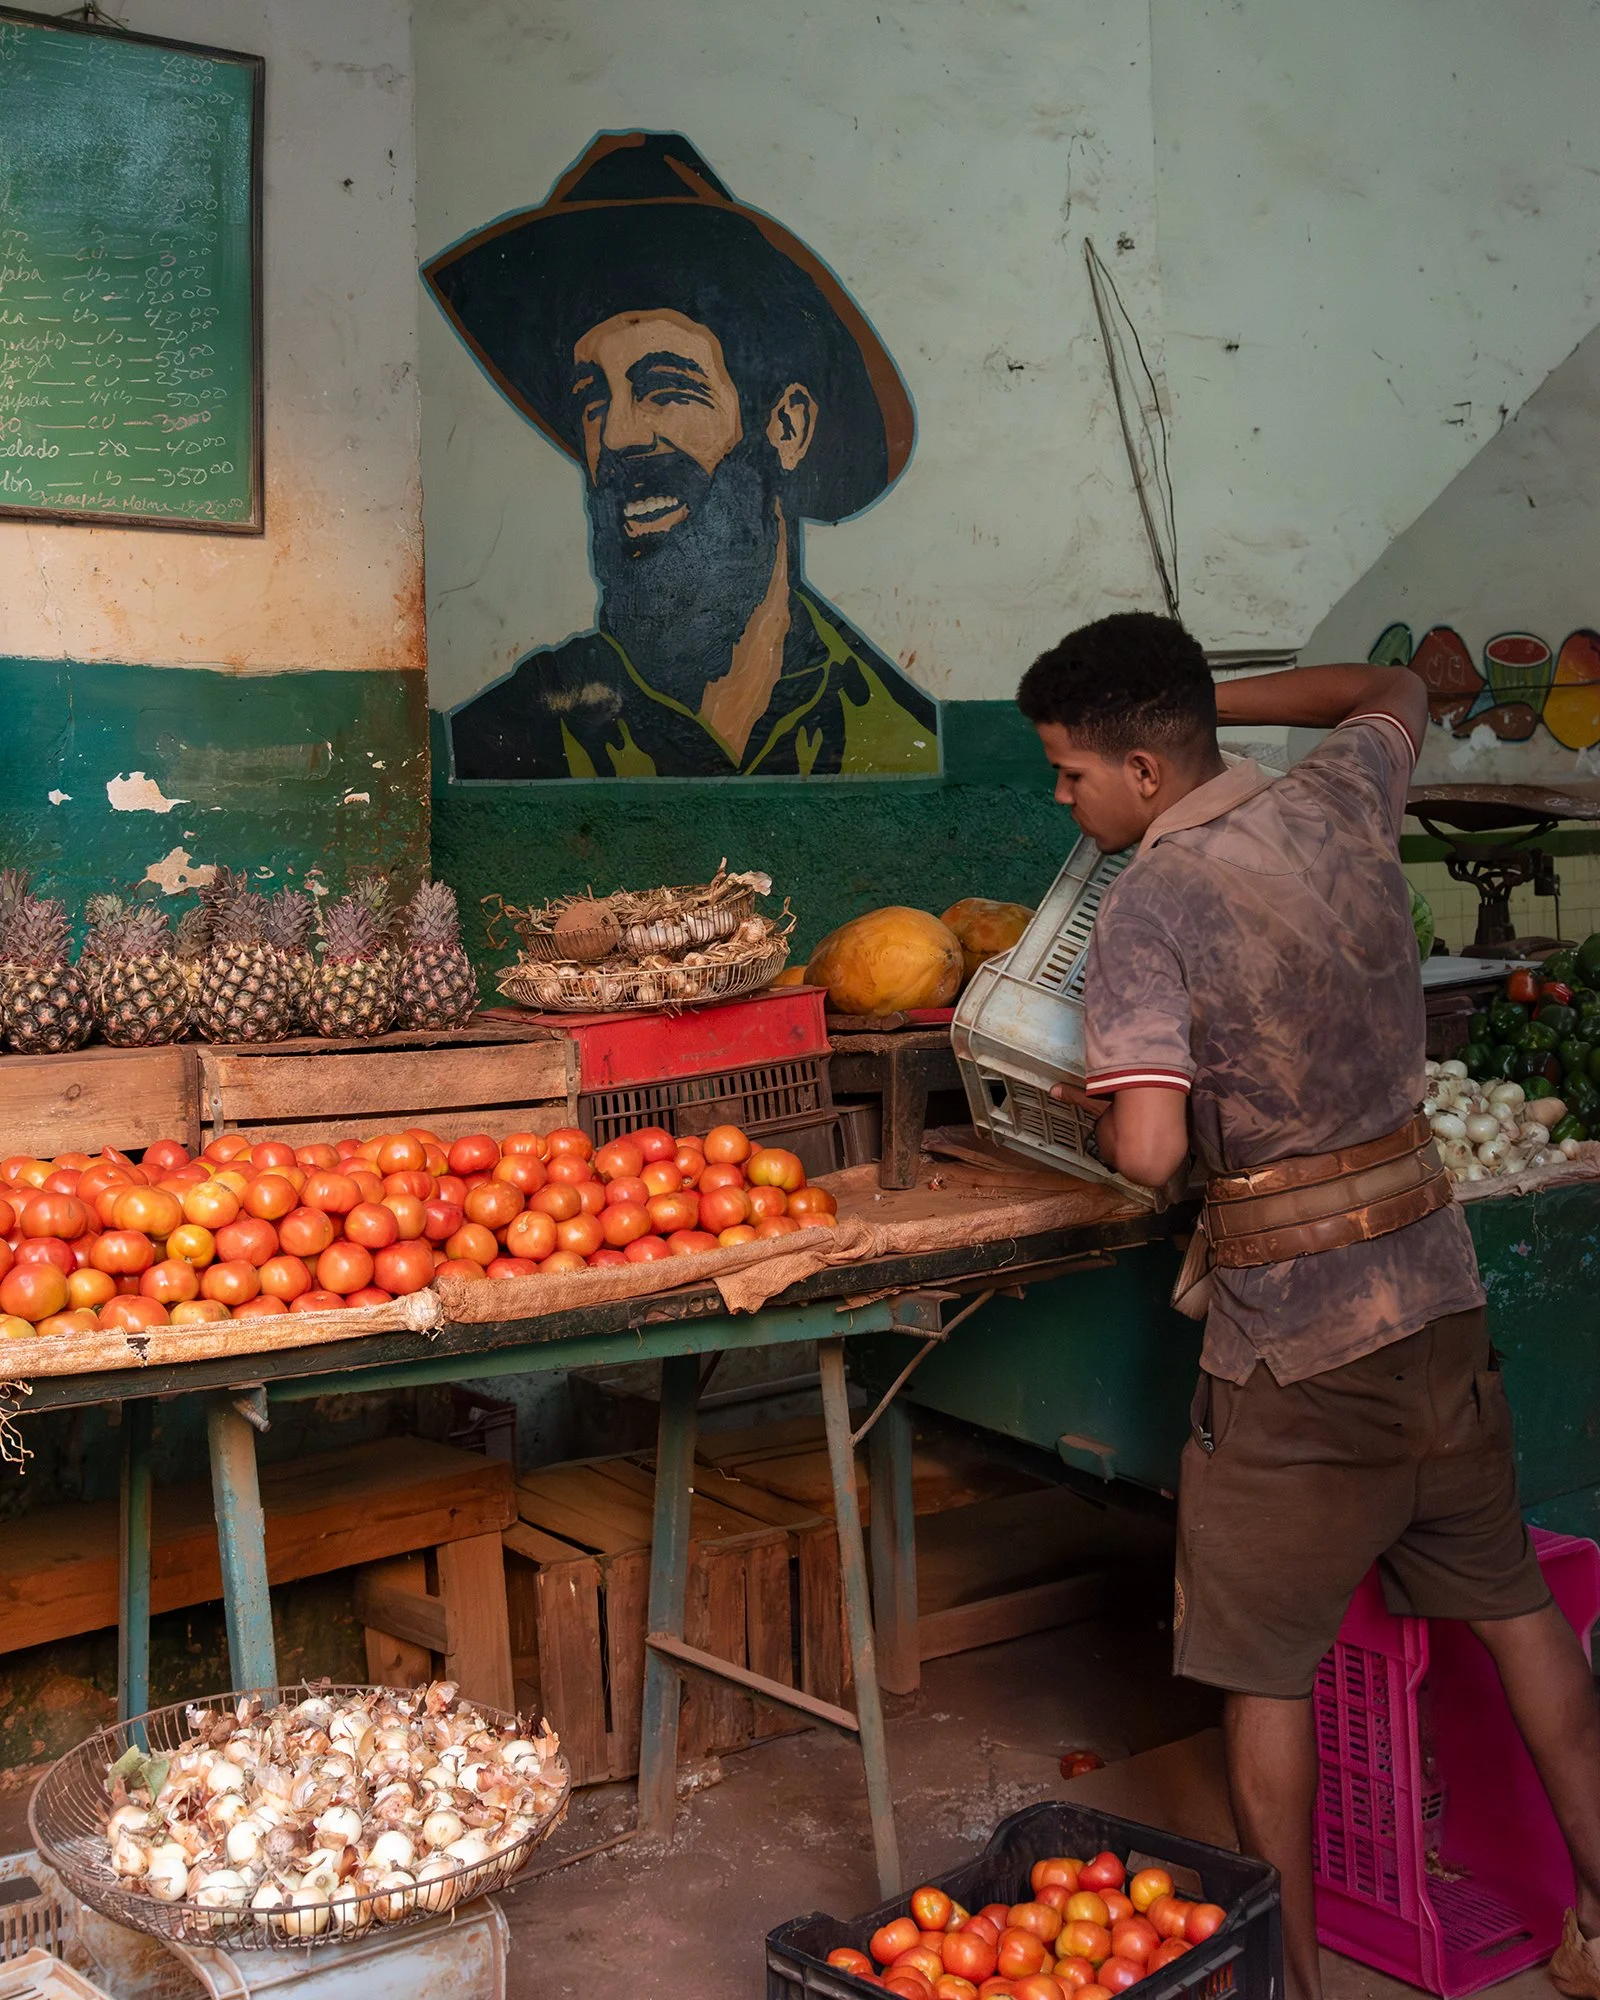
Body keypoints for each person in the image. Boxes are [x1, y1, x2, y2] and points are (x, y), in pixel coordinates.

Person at [1016, 611, 1600, 2000]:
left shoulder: (1149, 903)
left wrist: (1091, 1112)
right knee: (1517, 1613)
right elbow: (1395, 685)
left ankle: (1296, 1990)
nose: (1062, 798)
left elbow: (1151, 1152)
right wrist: (1204, 696)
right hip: (1436, 1302)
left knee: (1262, 1676)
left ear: (1145, 775)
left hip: (1295, 1351)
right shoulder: (1342, 792)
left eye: (1072, 774)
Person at [423, 131, 938, 780]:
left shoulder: (894, 728)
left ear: (785, 426)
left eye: (665, 387)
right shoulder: (518, 736)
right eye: (591, 400)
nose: (617, 437)